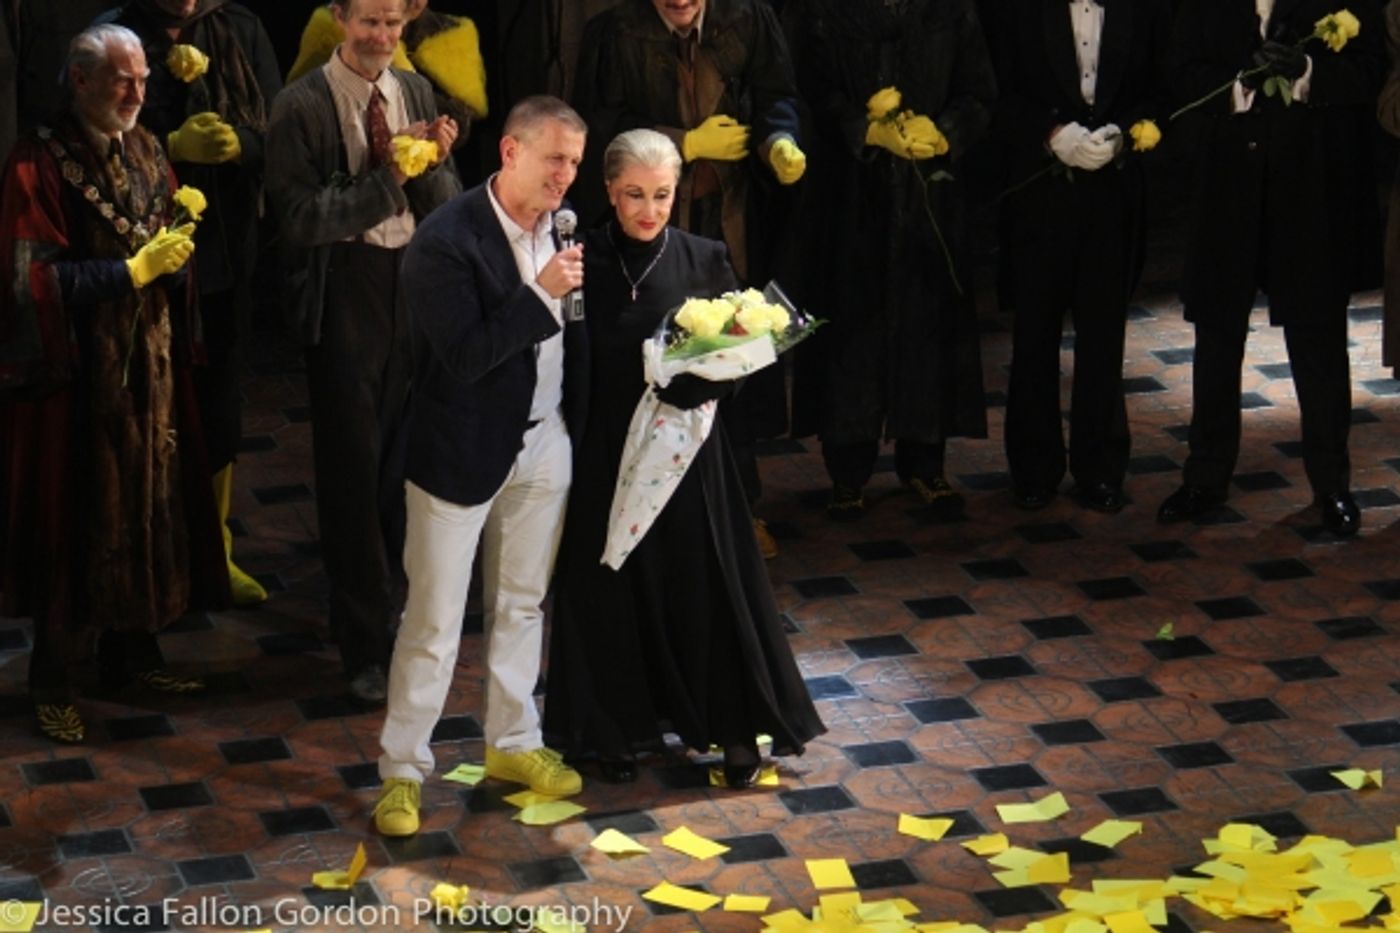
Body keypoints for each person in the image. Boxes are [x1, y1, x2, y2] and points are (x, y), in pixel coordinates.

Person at [542, 128, 824, 789]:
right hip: (605, 450)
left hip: (688, 456)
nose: (648, 209)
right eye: (634, 194)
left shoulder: (704, 257)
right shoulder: (581, 263)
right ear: (609, 191)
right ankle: (611, 731)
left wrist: (704, 380)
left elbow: (739, 352)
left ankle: (733, 731)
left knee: (709, 587)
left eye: (662, 195)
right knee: (608, 589)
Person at [0, 23, 229, 742]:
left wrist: (176, 255)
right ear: (80, 78)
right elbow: (26, 280)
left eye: (142, 79)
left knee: (147, 500)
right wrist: (128, 273)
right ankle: (54, 677)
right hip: (77, 379)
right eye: (123, 80)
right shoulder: (39, 163)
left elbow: (158, 237)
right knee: (76, 516)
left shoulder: (148, 149)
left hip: (148, 375)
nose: (138, 93)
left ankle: (133, 652)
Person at [373, 96, 590, 838]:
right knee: (433, 619)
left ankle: (513, 744)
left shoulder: (561, 230)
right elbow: (465, 356)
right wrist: (542, 294)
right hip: (459, 447)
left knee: (523, 603)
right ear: (510, 151)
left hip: (543, 443)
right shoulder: (445, 241)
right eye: (554, 158)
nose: (565, 176)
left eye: (574, 162)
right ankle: (402, 770)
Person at [264, 0, 460, 706]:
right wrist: (390, 179)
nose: (381, 37)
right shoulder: (301, 106)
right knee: (352, 468)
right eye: (368, 22)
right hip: (345, 289)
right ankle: (363, 645)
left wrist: (434, 158)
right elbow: (298, 219)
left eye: (393, 24)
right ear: (340, 20)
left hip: (409, 283)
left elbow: (443, 202)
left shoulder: (415, 90)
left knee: (406, 467)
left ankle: (409, 624)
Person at [572, 0, 808, 559]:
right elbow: (599, 125)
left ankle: (737, 506)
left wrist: (778, 139)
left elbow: (780, 95)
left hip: (728, 215)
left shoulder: (747, 19)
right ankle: (640, 502)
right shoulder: (614, 32)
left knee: (729, 355)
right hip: (649, 226)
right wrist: (682, 142)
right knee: (649, 363)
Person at [1158, 0, 1383, 536]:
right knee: (1216, 339)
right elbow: (1179, 72)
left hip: (1309, 197)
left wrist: (1307, 73)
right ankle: (1206, 477)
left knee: (1318, 343)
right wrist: (1238, 88)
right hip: (1228, 195)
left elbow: (1371, 70)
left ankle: (1332, 484)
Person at [96, 0, 283, 606]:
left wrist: (241, 148)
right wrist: (170, 145)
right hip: (142, 260)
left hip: (225, 257)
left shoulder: (241, 27)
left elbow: (277, 129)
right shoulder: (114, 32)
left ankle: (214, 551)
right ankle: (148, 555)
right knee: (147, 410)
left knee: (220, 410)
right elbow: (82, 138)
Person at [789, 0, 996, 522]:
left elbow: (979, 90)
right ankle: (847, 470)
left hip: (930, 197)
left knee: (927, 326)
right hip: (850, 199)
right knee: (851, 330)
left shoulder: (952, 10)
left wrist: (946, 130)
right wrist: (862, 128)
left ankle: (925, 461)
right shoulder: (824, 11)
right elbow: (809, 87)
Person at [990, 0, 1173, 513]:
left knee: (1104, 332)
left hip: (1112, 193)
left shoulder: (1140, 10)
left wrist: (1126, 131)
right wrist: (1051, 133)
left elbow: (1161, 88)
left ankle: (1100, 468)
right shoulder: (1017, 11)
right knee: (1034, 334)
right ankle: (1033, 467)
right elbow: (995, 90)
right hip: (1038, 194)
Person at [284, 0, 486, 153]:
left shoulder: (451, 31)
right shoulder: (335, 23)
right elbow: (299, 107)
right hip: (347, 159)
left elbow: (460, 125)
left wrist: (400, 66)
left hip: (426, 170)